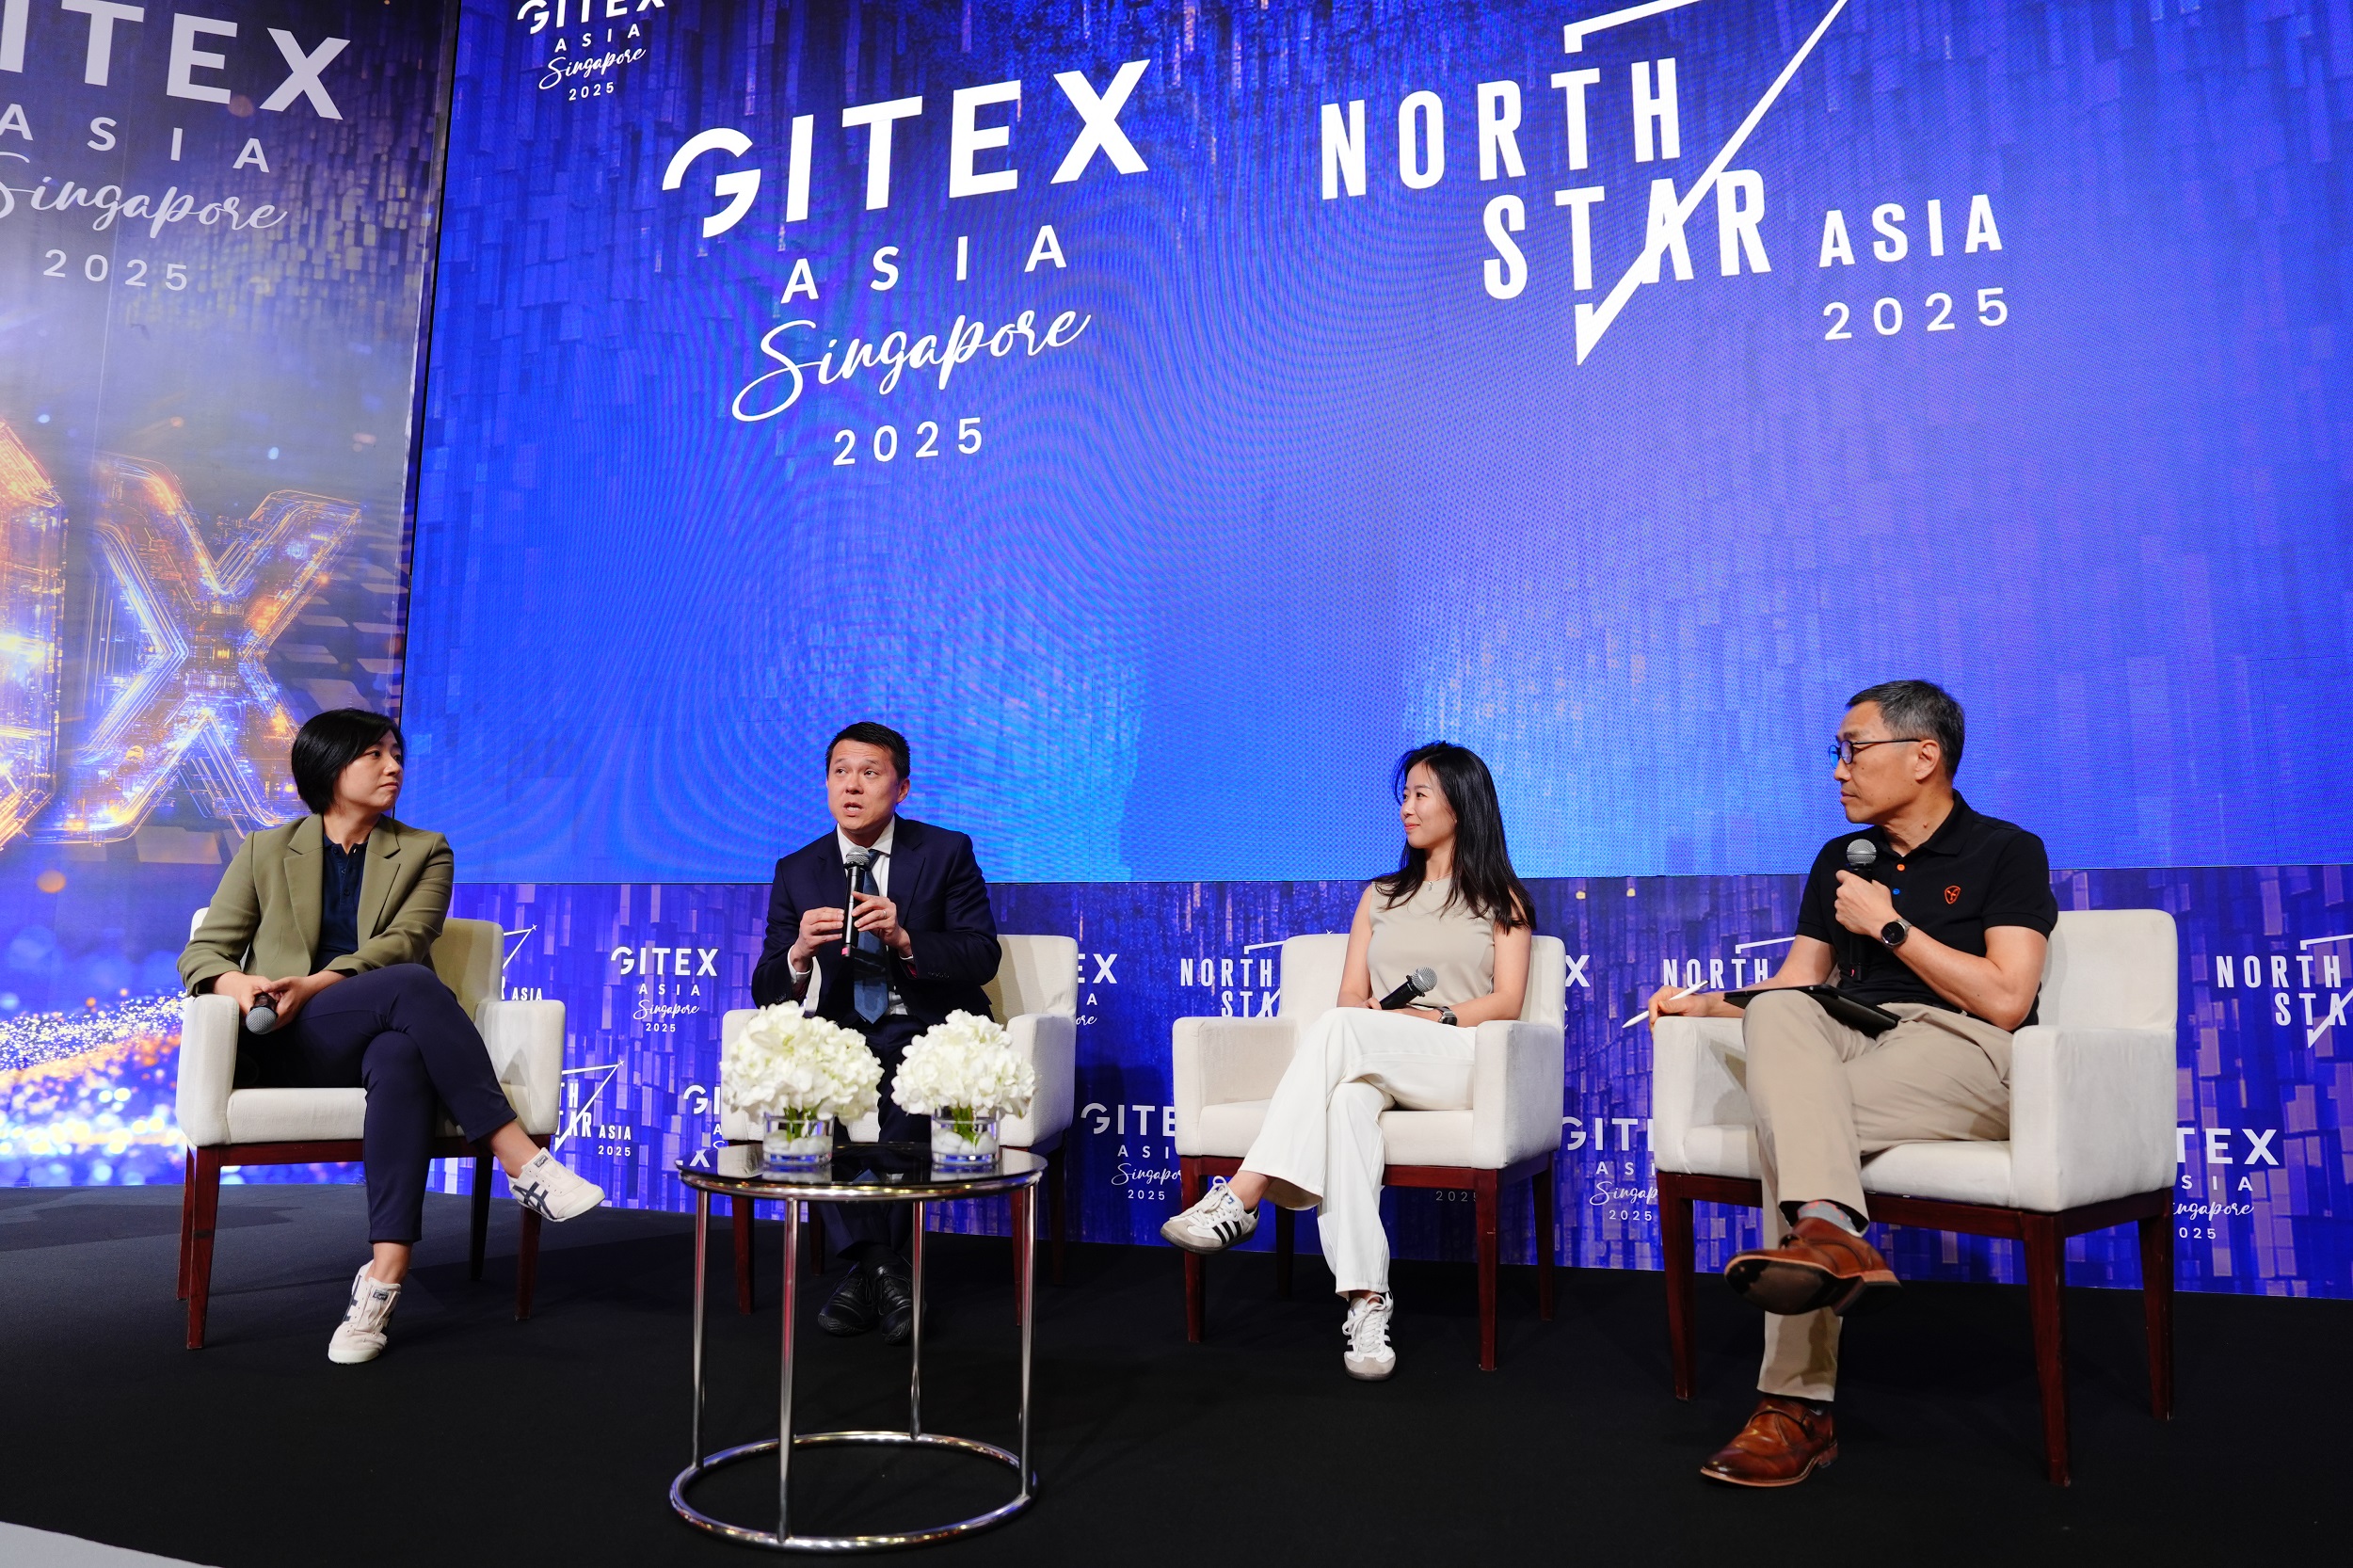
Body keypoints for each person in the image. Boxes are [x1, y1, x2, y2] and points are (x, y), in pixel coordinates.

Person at [1649, 680, 2057, 1486]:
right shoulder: (1840, 859)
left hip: (1962, 1049)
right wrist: (1701, 1004)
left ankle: (1791, 1406)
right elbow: (1797, 983)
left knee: (1790, 1123)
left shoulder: (2006, 849)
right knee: (1780, 1018)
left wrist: (1891, 928)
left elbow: (2008, 1001)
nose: (1838, 769)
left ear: (1924, 756)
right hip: (1848, 1041)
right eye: (1836, 752)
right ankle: (1830, 1230)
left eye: (1853, 748)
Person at [178, 709, 605, 1366]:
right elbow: (204, 954)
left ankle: (382, 1281)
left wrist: (315, 983)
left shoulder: (425, 848)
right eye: (374, 755)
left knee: (402, 1040)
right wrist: (246, 988)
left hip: (374, 1024)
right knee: (409, 988)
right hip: (292, 1041)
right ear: (328, 767)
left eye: (396, 753)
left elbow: (406, 940)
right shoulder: (266, 849)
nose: (394, 766)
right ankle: (523, 1160)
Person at [1159, 742, 1535, 1381]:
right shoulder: (1380, 896)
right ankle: (1367, 1305)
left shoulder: (1502, 898)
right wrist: (1370, 1015)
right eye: (1405, 797)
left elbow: (1508, 1000)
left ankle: (1243, 1195)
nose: (1406, 810)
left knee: (1341, 1036)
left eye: (1419, 795)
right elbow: (1347, 999)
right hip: (1375, 1054)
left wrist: (1436, 1016)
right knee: (1345, 1104)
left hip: (1458, 1060)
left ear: (1461, 804)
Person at [750, 721, 1000, 1344]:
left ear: (902, 788)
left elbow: (980, 955)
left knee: (912, 1106)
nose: (852, 786)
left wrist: (907, 937)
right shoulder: (797, 869)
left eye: (870, 772)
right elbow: (765, 985)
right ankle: (883, 1270)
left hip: (922, 1025)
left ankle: (865, 1275)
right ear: (826, 784)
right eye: (841, 772)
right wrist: (800, 953)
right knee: (800, 1114)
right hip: (842, 1034)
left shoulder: (945, 852)